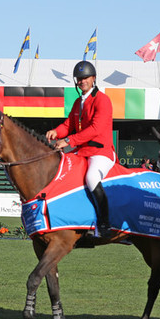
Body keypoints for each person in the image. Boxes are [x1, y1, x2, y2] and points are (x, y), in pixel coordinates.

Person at [46, 61, 116, 237]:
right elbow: (69, 124)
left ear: (93, 78)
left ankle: (105, 224)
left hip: (101, 152)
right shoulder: (78, 102)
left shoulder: (103, 100)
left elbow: (95, 129)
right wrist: (56, 131)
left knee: (92, 177)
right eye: (79, 79)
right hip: (82, 152)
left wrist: (68, 140)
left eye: (85, 78)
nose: (82, 81)